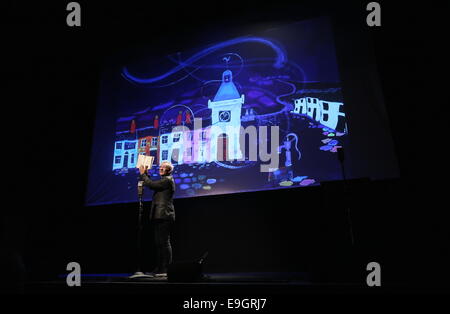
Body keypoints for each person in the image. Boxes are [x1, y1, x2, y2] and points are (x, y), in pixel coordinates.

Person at [139, 161, 175, 277]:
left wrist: (143, 174)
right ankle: (159, 268)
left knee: (164, 242)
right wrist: (146, 175)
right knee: (159, 243)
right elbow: (152, 184)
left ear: (168, 170)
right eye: (160, 167)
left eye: (163, 167)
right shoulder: (164, 180)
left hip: (164, 214)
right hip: (159, 214)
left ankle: (166, 269)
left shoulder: (167, 180)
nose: (160, 168)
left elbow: (152, 185)